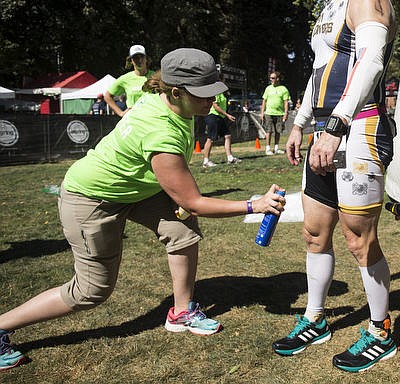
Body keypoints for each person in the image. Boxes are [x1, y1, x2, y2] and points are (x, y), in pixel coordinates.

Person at [0, 48, 286, 371]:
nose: (211, 101)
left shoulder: (164, 100)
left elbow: (184, 203)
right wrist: (254, 204)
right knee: (91, 291)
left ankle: (181, 312)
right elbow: (194, 201)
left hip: (132, 190)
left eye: (213, 92)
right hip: (90, 200)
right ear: (176, 92)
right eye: (203, 95)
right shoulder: (161, 131)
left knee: (182, 229)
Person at [274, 0, 398, 373]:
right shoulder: (329, 4)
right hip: (326, 129)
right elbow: (319, 72)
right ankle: (315, 318)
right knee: (313, 230)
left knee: (358, 238)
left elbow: (369, 62)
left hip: (358, 127)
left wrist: (338, 124)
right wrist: (299, 124)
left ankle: (381, 329)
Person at [104, 44, 149, 117]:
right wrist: (121, 113)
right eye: (136, 58)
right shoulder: (125, 79)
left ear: (146, 58)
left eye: (142, 57)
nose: (139, 60)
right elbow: (107, 96)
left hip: (152, 120)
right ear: (131, 60)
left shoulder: (155, 77)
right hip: (134, 121)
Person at [201, 90, 241, 168]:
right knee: (211, 139)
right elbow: (215, 106)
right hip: (213, 116)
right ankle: (206, 161)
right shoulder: (215, 92)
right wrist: (227, 115)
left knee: (227, 135)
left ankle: (230, 158)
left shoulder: (222, 93)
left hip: (220, 117)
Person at [260, 71, 290, 155]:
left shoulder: (283, 89)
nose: (271, 80)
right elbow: (264, 101)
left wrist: (285, 113)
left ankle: (276, 148)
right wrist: (262, 113)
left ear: (278, 79)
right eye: (270, 78)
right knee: (268, 130)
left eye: (273, 78)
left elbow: (286, 102)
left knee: (278, 131)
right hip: (269, 113)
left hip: (279, 113)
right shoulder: (268, 88)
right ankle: (268, 149)